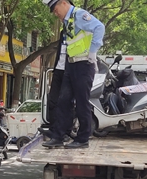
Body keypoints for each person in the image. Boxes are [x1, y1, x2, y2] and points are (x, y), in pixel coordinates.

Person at [42, 0, 104, 149]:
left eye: (55, 9)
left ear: (63, 3)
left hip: (84, 64)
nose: (55, 13)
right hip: (71, 64)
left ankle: (83, 139)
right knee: (63, 101)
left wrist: (93, 52)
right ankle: (58, 136)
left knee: (82, 102)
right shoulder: (68, 20)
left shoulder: (79, 14)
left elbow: (99, 27)